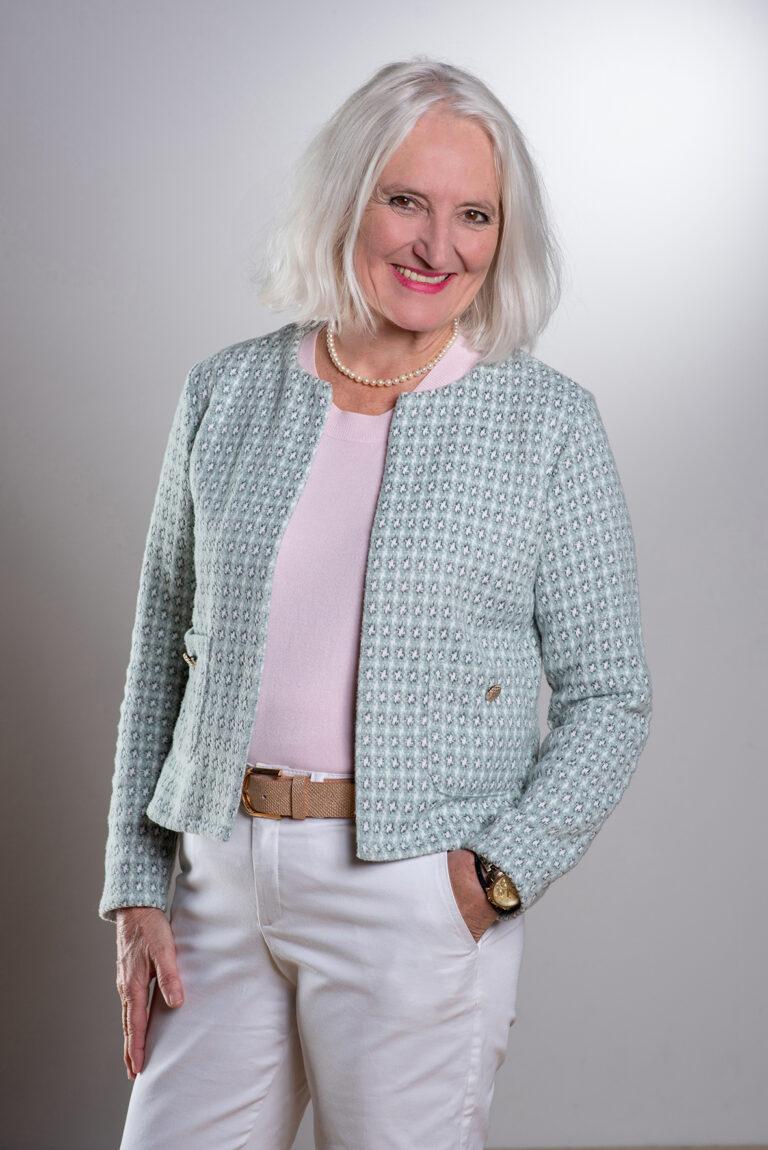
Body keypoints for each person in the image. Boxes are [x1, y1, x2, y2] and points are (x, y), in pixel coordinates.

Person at [100, 57, 653, 1150]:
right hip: (215, 873)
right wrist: (135, 881)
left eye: (474, 215)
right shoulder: (227, 391)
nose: (437, 247)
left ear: (503, 234)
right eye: (407, 201)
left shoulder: (547, 424)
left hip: (411, 889)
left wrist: (495, 877)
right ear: (347, 198)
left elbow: (611, 695)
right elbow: (161, 649)